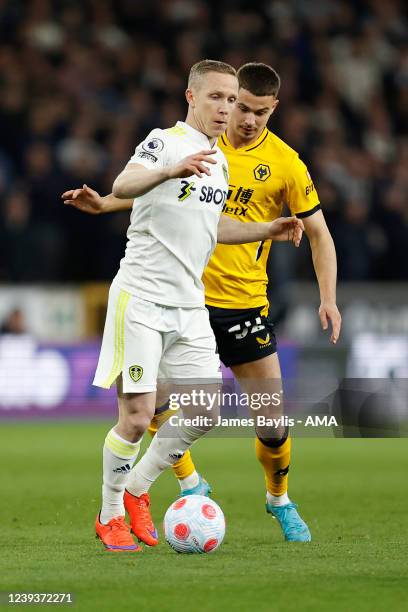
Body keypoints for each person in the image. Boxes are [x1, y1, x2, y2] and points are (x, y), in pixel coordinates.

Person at [63, 59, 305, 552]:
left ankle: (135, 490)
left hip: (189, 303)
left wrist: (269, 229)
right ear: (192, 97)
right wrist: (170, 169)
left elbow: (211, 228)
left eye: (232, 100)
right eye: (216, 97)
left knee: (205, 409)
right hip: (143, 296)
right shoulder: (165, 141)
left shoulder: (218, 160)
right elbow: (124, 186)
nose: (226, 108)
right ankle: (110, 515)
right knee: (136, 416)